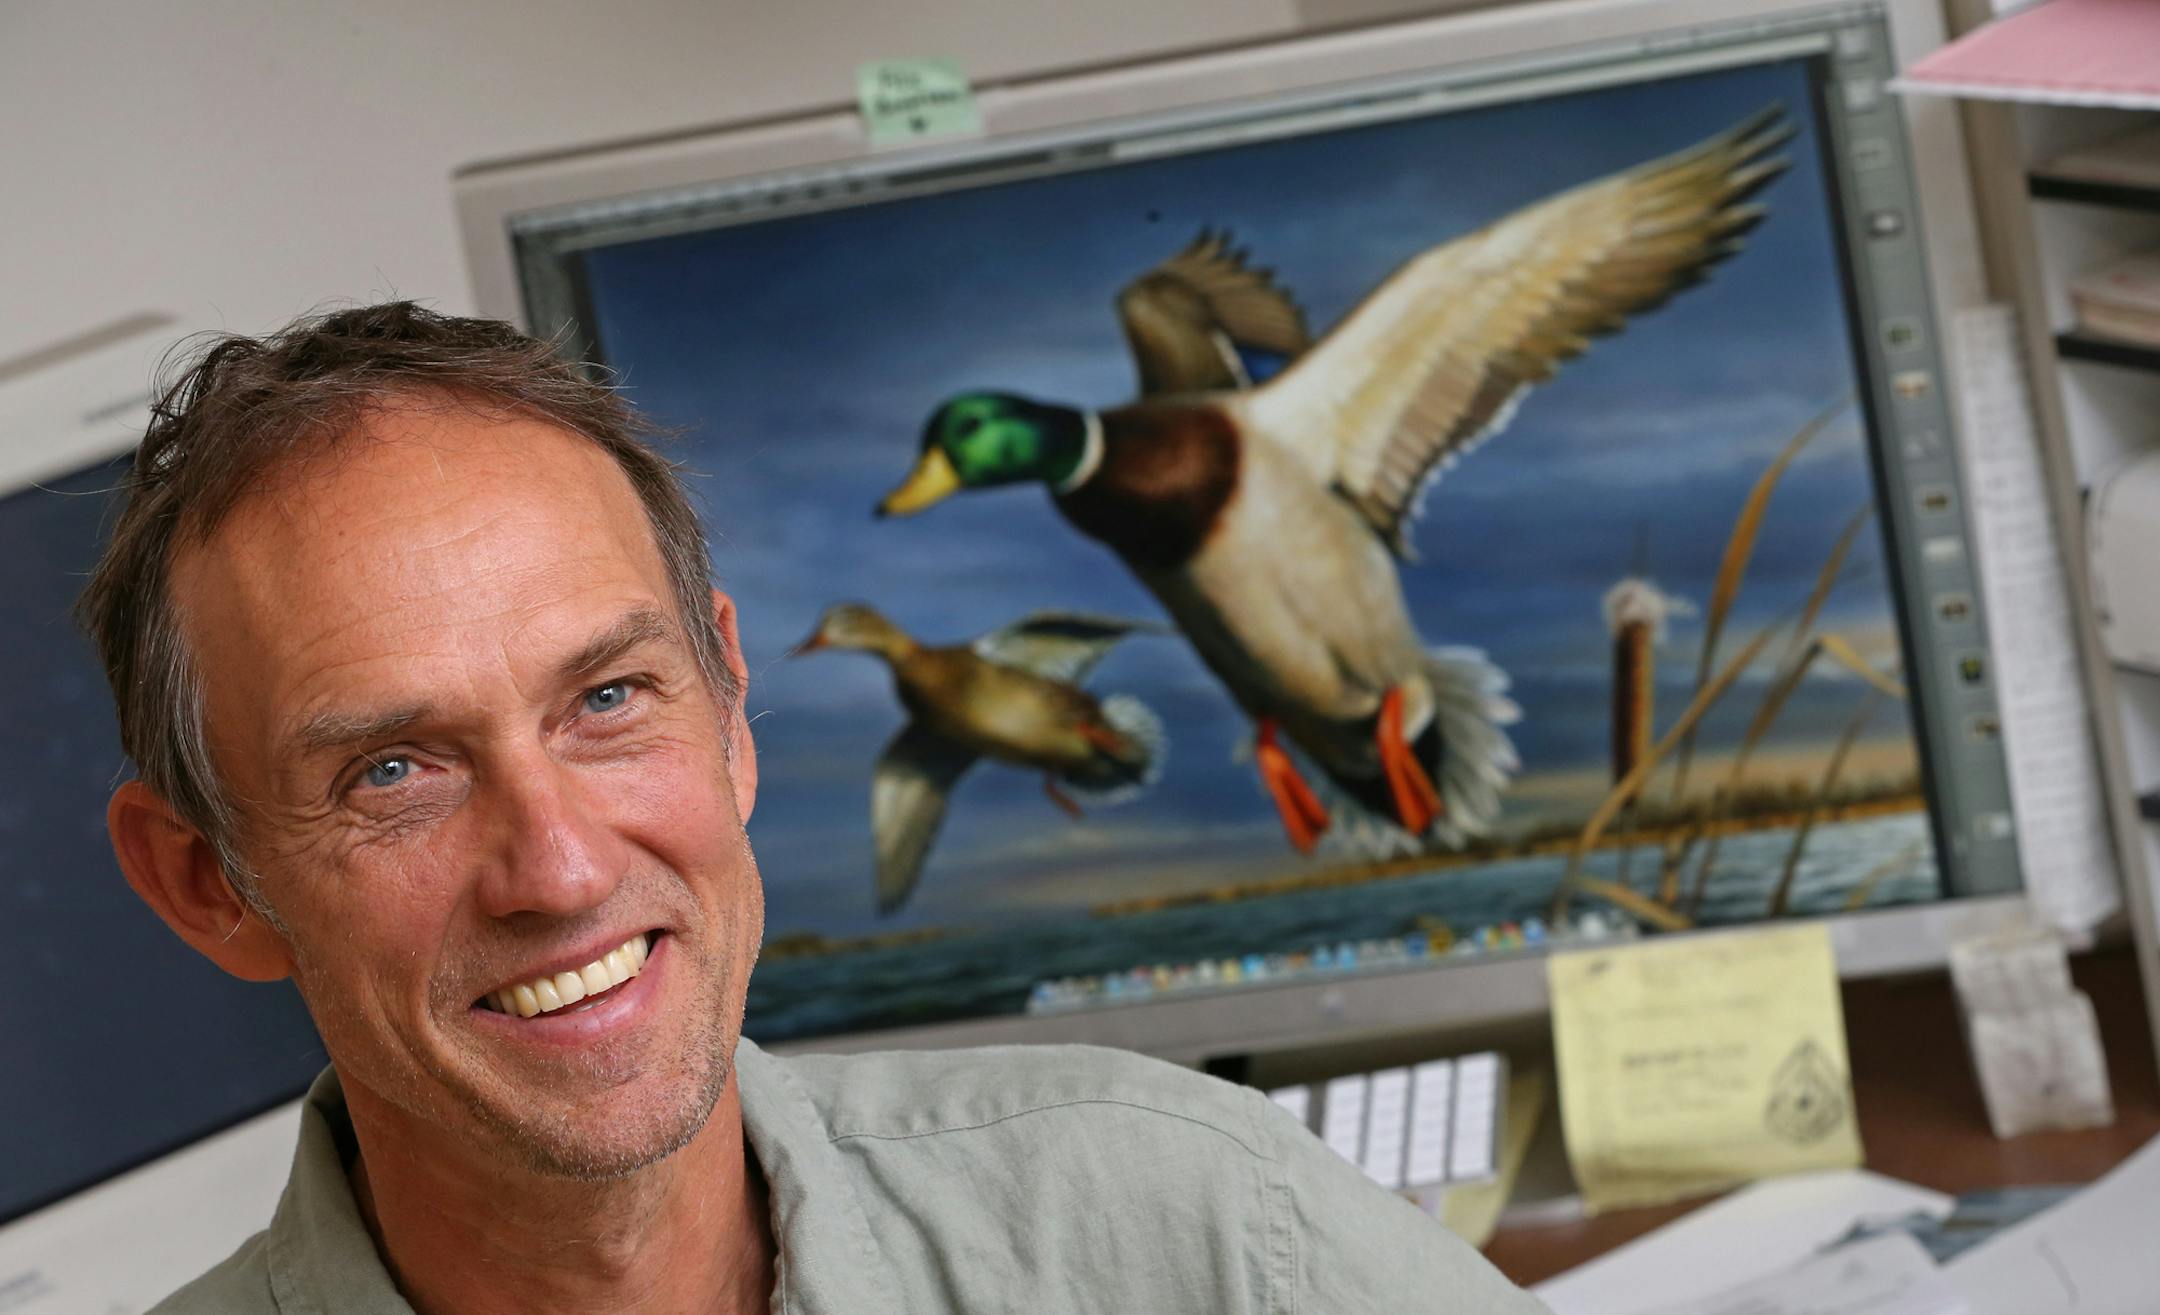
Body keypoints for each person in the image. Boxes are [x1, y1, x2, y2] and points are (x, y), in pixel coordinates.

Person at [82, 302, 1550, 1314]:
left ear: (731, 707)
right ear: (207, 883)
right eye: (394, 771)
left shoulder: (1191, 1226)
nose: (560, 865)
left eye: (607, 700)